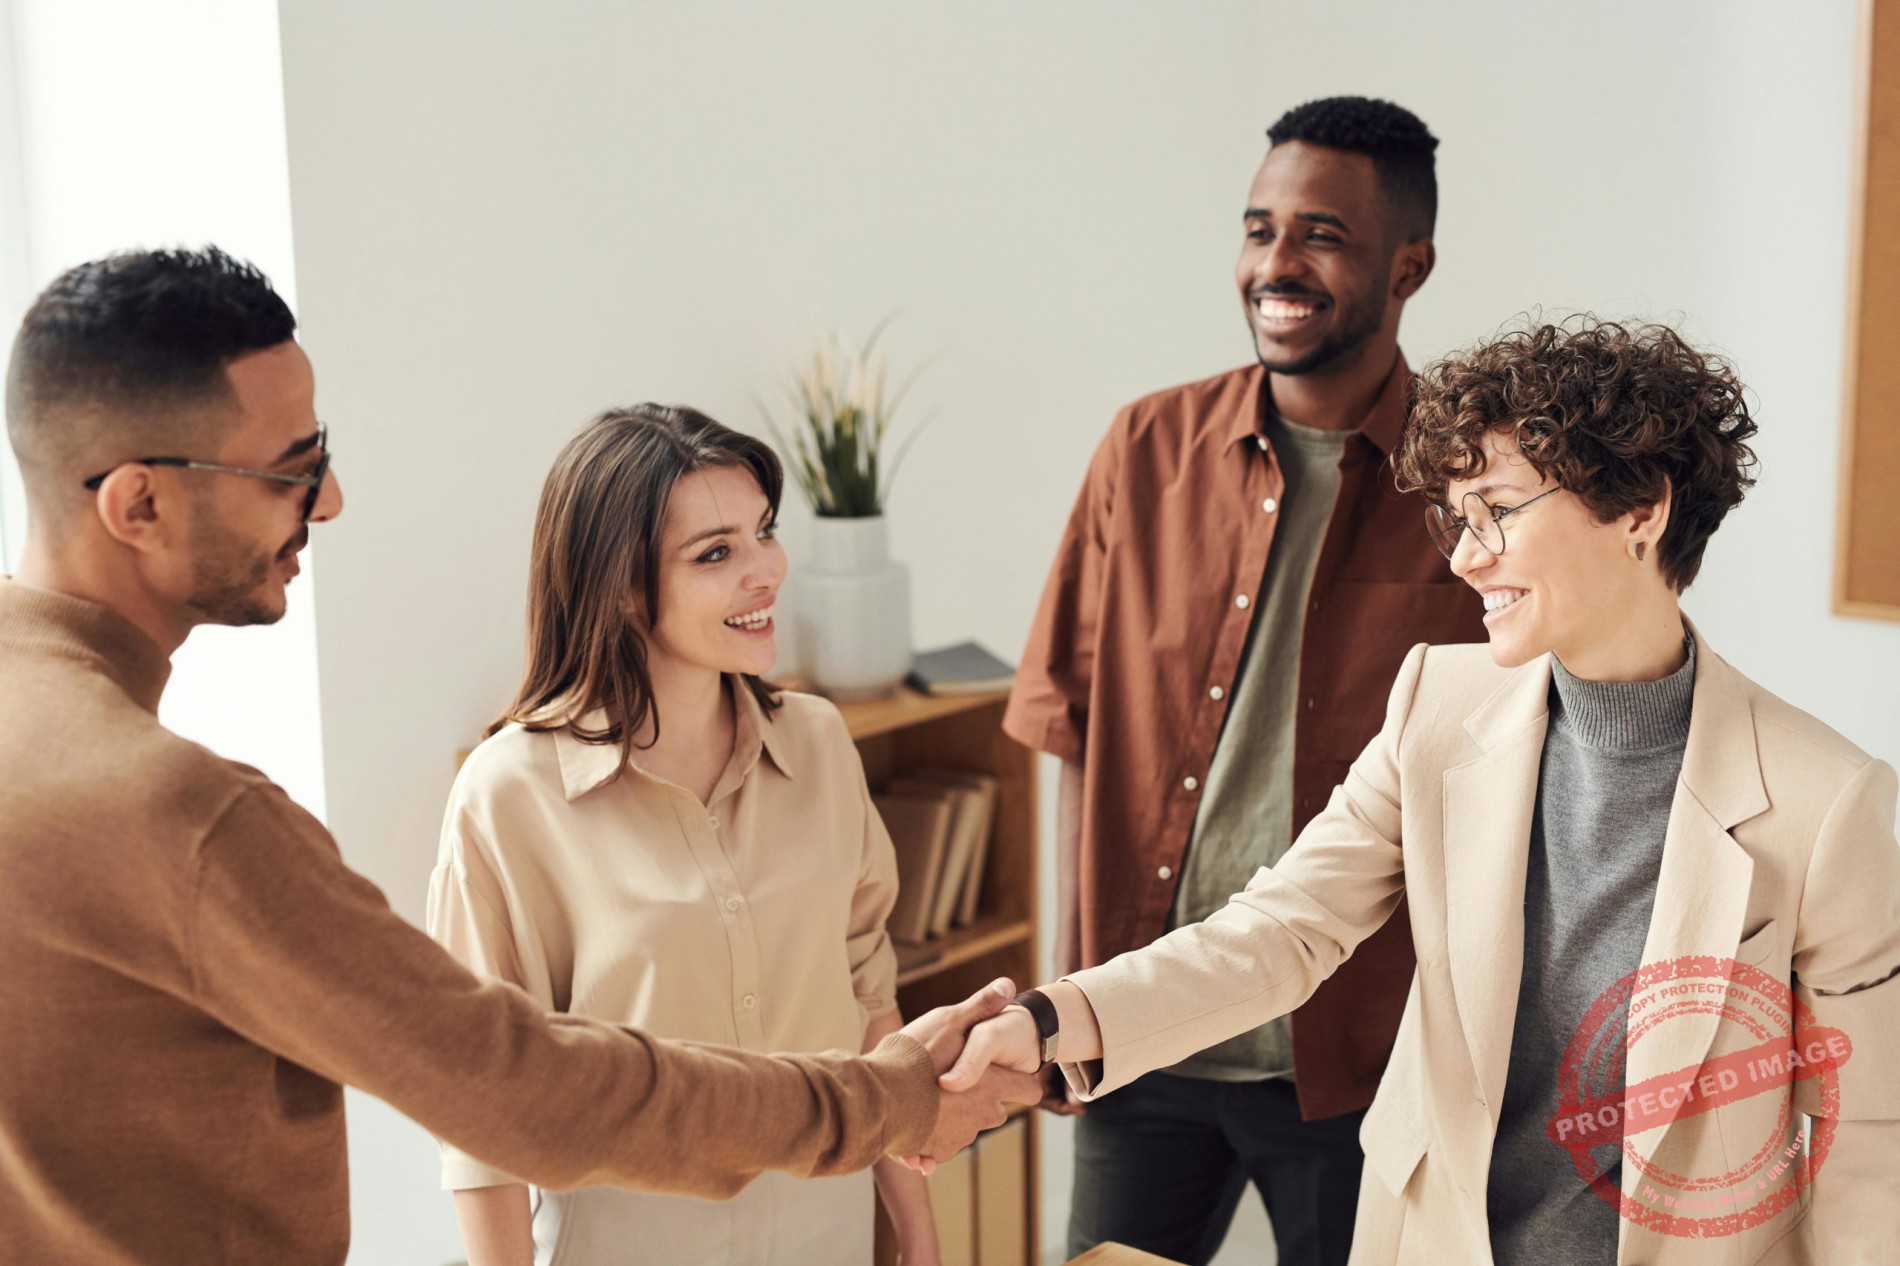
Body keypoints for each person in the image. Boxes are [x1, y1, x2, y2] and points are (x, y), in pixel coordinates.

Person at [0, 246, 1037, 1265]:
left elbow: (858, 984)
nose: (330, 501)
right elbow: (511, 1090)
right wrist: (886, 1098)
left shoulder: (813, 742)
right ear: (136, 504)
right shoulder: (182, 813)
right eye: (292, 471)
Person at [950, 317, 1900, 1264]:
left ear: (1640, 511)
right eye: (1457, 518)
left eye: (1498, 510)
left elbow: (1870, 1139)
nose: (1464, 556)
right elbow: (1281, 931)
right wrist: (1046, 1022)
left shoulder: (1827, 801)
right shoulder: (1434, 707)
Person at [1003, 95, 1482, 1265]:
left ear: (1407, 266)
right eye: (1259, 227)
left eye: (1320, 234)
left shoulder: (1472, 482)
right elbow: (1066, 730)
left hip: (1356, 1061)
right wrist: (1070, 998)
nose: (1276, 264)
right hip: (1140, 1037)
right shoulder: (1142, 450)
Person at [431, 404, 939, 1266]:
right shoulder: (510, 794)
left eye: (764, 533)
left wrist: (919, 1238)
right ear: (624, 588)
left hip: (830, 1244)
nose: (765, 572)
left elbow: (869, 1005)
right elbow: (481, 1112)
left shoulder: (817, 744)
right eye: (716, 554)